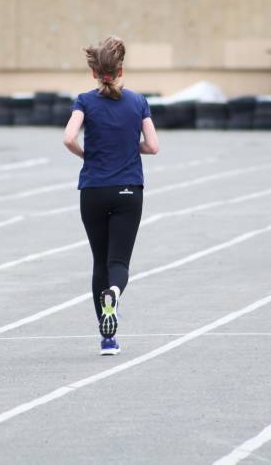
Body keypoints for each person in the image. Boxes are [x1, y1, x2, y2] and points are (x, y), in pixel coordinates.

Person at [63, 36, 159, 355]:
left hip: (92, 190)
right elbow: (153, 146)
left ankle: (107, 339)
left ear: (94, 74)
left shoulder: (84, 102)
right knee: (118, 262)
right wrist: (130, 147)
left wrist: (88, 155)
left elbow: (68, 138)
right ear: (121, 71)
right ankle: (114, 293)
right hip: (129, 190)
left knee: (99, 263)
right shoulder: (138, 102)